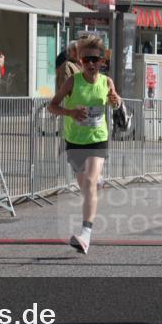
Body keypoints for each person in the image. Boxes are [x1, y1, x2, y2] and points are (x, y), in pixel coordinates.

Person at [48, 35, 122, 255]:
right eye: (85, 60)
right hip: (74, 141)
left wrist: (115, 100)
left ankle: (85, 235)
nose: (90, 64)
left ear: (102, 62)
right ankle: (97, 180)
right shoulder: (73, 82)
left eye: (94, 59)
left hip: (98, 139)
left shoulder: (106, 82)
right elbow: (52, 106)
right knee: (86, 187)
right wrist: (70, 112)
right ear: (80, 61)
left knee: (89, 183)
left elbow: (115, 100)